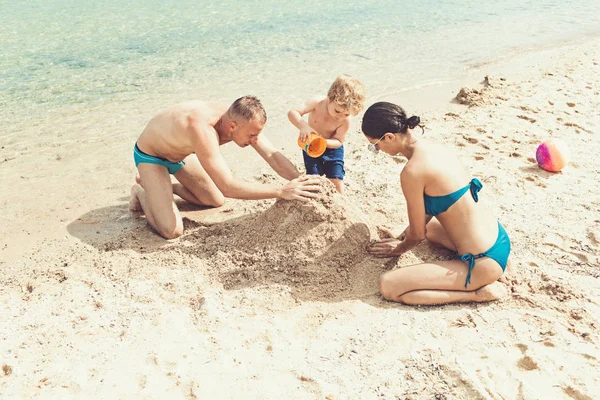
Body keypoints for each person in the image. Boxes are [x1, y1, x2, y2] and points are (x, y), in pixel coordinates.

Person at [362, 101, 511, 305]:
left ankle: (476, 294)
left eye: (375, 145)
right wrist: (400, 236)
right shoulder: (432, 146)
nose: (377, 149)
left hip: (480, 263)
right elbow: (430, 211)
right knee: (432, 228)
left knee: (389, 285)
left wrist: (398, 248)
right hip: (498, 239)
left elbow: (417, 235)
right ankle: (490, 273)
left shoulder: (412, 172)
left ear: (389, 137)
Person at [130, 96, 321, 239]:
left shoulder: (242, 118)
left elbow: (272, 155)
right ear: (232, 127)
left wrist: (301, 180)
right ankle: (142, 191)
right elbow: (228, 186)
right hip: (151, 156)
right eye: (252, 136)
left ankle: (164, 188)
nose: (255, 140)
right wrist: (280, 191)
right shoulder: (203, 130)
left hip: (181, 153)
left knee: (214, 200)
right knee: (172, 231)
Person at [288, 74, 366, 194]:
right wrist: (303, 127)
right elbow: (293, 112)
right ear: (330, 98)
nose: (340, 116)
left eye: (346, 114)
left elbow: (339, 141)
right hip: (311, 145)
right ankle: (315, 199)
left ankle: (341, 200)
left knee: (335, 178)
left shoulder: (345, 121)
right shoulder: (316, 103)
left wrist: (324, 142)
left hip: (332, 149)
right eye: (337, 111)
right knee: (313, 177)